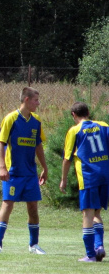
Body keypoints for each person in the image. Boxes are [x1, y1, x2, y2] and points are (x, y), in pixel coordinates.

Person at [0, 87, 48, 254]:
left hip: (30, 173)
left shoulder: (36, 121)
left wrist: (44, 167)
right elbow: (0, 143)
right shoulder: (10, 118)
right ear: (26, 100)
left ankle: (34, 245)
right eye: (36, 100)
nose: (38, 103)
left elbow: (38, 145)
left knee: (33, 208)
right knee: (7, 205)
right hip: (13, 173)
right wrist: (2, 167)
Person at [60, 102, 108, 262]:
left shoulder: (74, 131)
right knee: (97, 213)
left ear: (74, 115)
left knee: (87, 214)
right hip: (105, 175)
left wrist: (63, 180)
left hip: (88, 177)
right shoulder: (103, 125)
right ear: (88, 112)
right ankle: (99, 246)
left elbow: (67, 159)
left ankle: (90, 254)